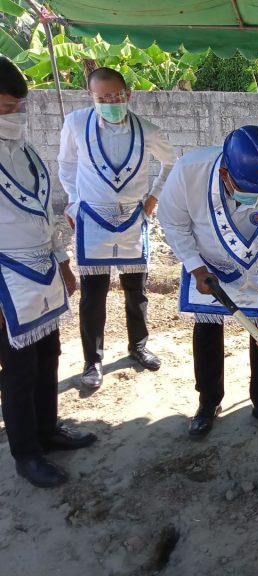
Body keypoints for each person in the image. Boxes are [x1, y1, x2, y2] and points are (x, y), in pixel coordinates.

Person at [158, 125, 258, 439]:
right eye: (247, 186)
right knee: (207, 329)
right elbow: (172, 221)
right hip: (208, 263)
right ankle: (208, 401)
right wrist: (195, 267)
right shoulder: (189, 172)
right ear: (224, 173)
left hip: (256, 260)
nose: (257, 195)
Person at [0, 57, 96, 488]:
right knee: (18, 370)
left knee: (49, 355)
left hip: (41, 268)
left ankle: (48, 429)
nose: (16, 116)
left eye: (19, 107)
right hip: (5, 277)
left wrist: (62, 261)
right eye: (6, 108)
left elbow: (45, 212)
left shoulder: (27, 151)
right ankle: (26, 453)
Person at [58, 67, 175, 389]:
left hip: (131, 218)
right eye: (102, 98)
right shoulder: (77, 124)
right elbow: (66, 164)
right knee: (93, 293)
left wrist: (153, 196)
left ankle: (138, 346)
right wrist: (74, 200)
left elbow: (170, 162)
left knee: (135, 289)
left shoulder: (147, 130)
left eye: (116, 96)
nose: (110, 102)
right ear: (91, 97)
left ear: (129, 95)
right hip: (92, 217)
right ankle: (92, 361)